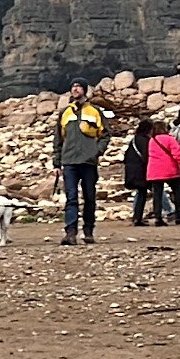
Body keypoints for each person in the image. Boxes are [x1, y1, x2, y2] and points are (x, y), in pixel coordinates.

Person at [51, 80, 111, 246]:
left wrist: (97, 151)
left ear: (84, 90)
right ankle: (70, 233)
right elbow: (58, 139)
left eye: (78, 87)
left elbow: (105, 134)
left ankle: (88, 231)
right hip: (69, 161)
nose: (75, 89)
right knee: (71, 198)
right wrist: (56, 163)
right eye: (73, 87)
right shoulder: (65, 113)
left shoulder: (95, 111)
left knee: (90, 197)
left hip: (88, 162)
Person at [145, 116, 180, 224]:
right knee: (178, 190)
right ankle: (179, 215)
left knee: (158, 194)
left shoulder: (152, 140)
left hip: (154, 170)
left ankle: (158, 218)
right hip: (169, 170)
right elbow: (177, 154)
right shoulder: (170, 139)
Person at [123, 117, 161, 225]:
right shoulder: (145, 141)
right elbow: (147, 156)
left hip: (132, 169)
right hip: (141, 170)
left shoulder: (134, 140)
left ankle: (137, 217)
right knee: (145, 192)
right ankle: (138, 218)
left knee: (140, 192)